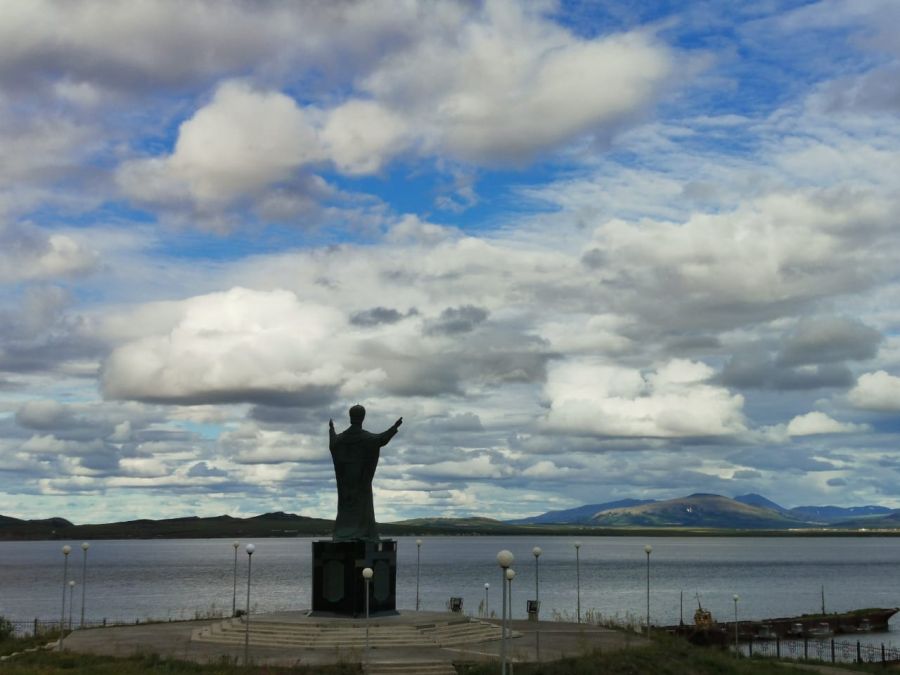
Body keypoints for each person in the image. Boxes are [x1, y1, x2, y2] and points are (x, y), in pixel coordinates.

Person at [328, 404, 402, 542]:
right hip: (361, 480)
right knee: (363, 508)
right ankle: (361, 532)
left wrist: (331, 430)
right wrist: (394, 427)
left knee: (346, 507)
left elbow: (333, 443)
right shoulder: (367, 438)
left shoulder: (341, 439)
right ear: (362, 418)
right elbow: (381, 439)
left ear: (351, 418)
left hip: (345, 483)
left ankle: (344, 532)